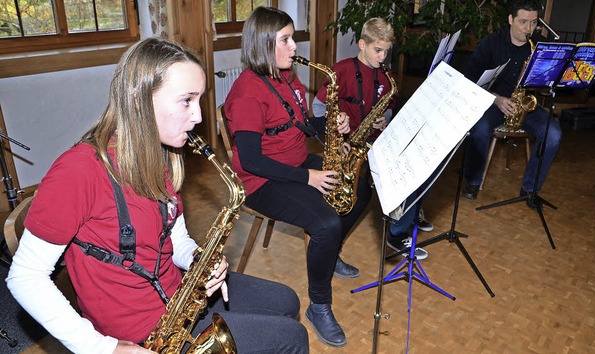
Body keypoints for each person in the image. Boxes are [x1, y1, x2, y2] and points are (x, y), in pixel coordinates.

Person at [6, 37, 308, 354]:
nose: (198, 118)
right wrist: (99, 347)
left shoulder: (159, 154)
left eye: (199, 100)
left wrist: (197, 260)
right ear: (139, 99)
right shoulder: (79, 170)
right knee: (291, 338)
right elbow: (25, 277)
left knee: (285, 301)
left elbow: (172, 235)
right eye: (186, 101)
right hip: (139, 334)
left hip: (177, 295)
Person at [224, 6, 371, 348]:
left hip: (295, 161)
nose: (294, 47)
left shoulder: (286, 75)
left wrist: (334, 126)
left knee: (361, 187)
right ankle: (319, 306)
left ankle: (328, 254)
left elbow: (302, 124)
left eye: (293, 38)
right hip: (261, 181)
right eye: (286, 40)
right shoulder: (248, 93)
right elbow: (251, 160)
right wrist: (308, 177)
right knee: (325, 223)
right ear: (263, 45)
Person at [312, 17, 432, 261]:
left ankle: (400, 226)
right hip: (349, 144)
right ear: (362, 44)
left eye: (386, 52)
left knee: (421, 163)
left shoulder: (385, 76)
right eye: (378, 50)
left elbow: (389, 106)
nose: (382, 58)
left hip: (377, 140)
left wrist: (384, 118)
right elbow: (317, 106)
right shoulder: (342, 70)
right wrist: (337, 128)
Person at [461, 0, 562, 203]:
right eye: (523, 22)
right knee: (479, 129)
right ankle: (472, 180)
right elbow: (470, 79)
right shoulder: (491, 43)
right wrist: (497, 98)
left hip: (525, 105)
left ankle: (530, 188)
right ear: (510, 19)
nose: (528, 28)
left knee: (553, 133)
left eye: (533, 23)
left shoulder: (540, 46)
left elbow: (548, 81)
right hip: (493, 101)